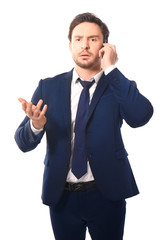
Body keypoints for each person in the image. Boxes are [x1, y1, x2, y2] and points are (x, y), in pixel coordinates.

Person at [15, 12, 153, 240]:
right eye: (78, 39)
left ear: (104, 45)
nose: (85, 45)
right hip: (62, 196)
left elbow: (141, 116)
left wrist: (112, 69)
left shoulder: (117, 85)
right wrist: (36, 125)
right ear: (69, 45)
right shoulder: (48, 87)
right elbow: (22, 142)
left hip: (107, 193)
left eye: (93, 39)